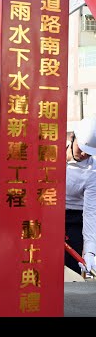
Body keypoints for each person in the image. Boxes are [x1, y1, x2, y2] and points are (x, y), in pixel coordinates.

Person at [65, 116, 96, 275]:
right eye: (81, 147)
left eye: (90, 153)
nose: (84, 154)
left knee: (73, 266)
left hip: (75, 219)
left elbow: (90, 212)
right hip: (47, 214)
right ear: (72, 137)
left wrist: (90, 250)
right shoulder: (51, 156)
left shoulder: (92, 172)